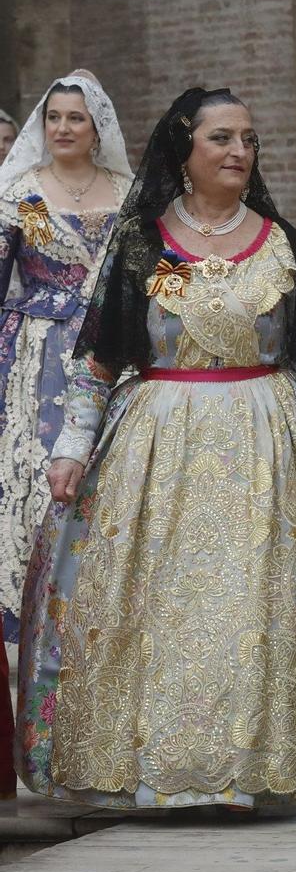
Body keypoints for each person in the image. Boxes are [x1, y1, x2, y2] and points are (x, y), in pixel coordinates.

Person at [15, 87, 296, 810]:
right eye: (222, 138)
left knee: (260, 605)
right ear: (184, 151)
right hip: (157, 447)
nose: (239, 152)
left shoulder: (281, 241)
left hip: (270, 446)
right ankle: (164, 765)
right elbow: (97, 358)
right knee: (157, 604)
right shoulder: (141, 241)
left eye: (249, 139)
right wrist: (71, 448)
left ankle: (252, 765)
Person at [0, 73, 132, 646]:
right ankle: (33, 618)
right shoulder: (16, 191)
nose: (62, 128)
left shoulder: (130, 193)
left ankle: (105, 615)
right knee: (35, 476)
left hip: (111, 354)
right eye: (54, 117)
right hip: (36, 352)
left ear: (97, 127)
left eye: (75, 118)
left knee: (112, 478)